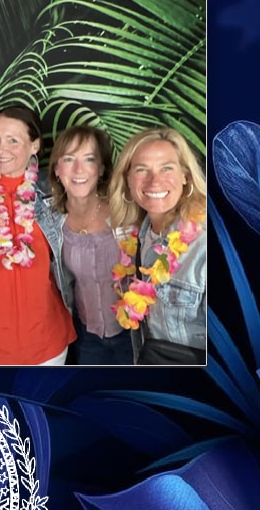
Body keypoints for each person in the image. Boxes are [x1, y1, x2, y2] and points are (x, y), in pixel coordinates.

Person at [0, 107, 75, 365]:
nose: (0, 149)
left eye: (13, 140)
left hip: (47, 340)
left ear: (34, 145)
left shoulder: (54, 193)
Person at [109, 127, 207, 365]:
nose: (155, 181)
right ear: (128, 180)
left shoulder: (208, 244)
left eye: (167, 168)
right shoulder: (138, 236)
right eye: (142, 169)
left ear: (185, 176)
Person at [48, 126, 133, 364]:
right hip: (86, 339)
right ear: (56, 169)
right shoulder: (51, 224)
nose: (78, 169)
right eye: (68, 159)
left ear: (102, 169)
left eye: (89, 159)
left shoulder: (125, 213)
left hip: (134, 337)